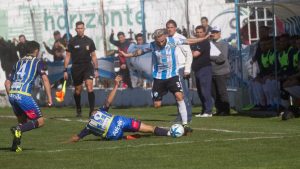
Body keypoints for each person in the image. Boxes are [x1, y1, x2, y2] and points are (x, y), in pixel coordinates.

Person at [121, 28, 210, 133]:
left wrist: (203, 38)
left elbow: (188, 41)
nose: (160, 43)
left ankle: (185, 125)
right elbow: (140, 51)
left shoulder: (173, 42)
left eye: (162, 40)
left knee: (179, 96)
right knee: (157, 105)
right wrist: (128, 55)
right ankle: (160, 96)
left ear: (165, 36)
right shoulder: (152, 45)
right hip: (159, 78)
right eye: (158, 41)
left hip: (172, 75)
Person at [69, 75, 172, 142]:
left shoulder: (88, 127)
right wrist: (116, 85)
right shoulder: (101, 111)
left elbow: (77, 138)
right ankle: (169, 133)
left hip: (114, 134)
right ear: (95, 112)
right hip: (121, 121)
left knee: (106, 138)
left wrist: (69, 140)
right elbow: (109, 100)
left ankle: (125, 137)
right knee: (149, 128)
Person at [4, 41, 52, 152]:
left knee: (22, 121)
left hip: (13, 95)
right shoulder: (37, 62)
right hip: (23, 95)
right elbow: (45, 79)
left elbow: (7, 83)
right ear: (36, 51)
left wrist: (12, 96)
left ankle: (15, 146)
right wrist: (49, 99)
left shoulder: (18, 62)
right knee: (40, 121)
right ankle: (18, 129)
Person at [64, 21, 98, 117]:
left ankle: (92, 111)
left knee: (89, 86)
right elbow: (67, 56)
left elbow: (94, 56)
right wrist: (65, 70)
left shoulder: (89, 41)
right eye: (78, 28)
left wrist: (96, 69)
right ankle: (78, 108)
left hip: (88, 66)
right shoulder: (71, 41)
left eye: (81, 28)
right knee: (78, 91)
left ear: (84, 29)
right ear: (75, 29)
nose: (80, 30)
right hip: (76, 67)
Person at [166, 19, 193, 123]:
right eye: (168, 27)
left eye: (171, 27)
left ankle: (188, 117)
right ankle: (180, 116)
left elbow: (189, 54)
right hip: (172, 71)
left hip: (181, 69)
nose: (169, 29)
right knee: (177, 95)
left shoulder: (181, 38)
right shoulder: (167, 39)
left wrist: (187, 69)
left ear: (175, 28)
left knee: (184, 94)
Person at [191, 26, 213, 117]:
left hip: (205, 69)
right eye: (197, 32)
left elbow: (195, 54)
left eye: (201, 32)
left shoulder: (204, 42)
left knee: (205, 90)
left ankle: (208, 111)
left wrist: (188, 52)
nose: (199, 34)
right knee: (200, 91)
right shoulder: (195, 43)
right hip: (197, 70)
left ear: (204, 33)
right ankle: (204, 110)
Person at [210, 26, 231, 116]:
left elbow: (222, 58)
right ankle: (219, 109)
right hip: (212, 71)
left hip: (221, 71)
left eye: (216, 32)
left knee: (222, 92)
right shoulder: (210, 43)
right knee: (214, 92)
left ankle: (226, 110)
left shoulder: (223, 44)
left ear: (219, 33)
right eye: (213, 32)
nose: (214, 34)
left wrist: (209, 57)